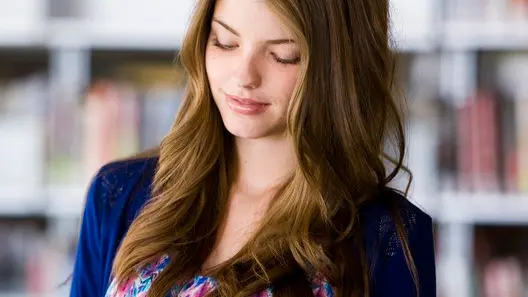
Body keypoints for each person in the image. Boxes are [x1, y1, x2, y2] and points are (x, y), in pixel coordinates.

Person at [70, 0, 436, 296]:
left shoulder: (390, 238)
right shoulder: (117, 194)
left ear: (336, 69)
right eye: (225, 42)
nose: (244, 76)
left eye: (283, 55)